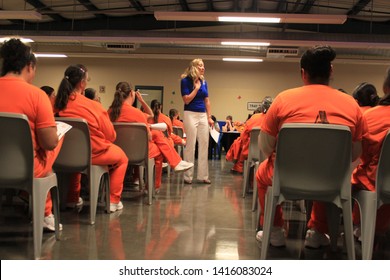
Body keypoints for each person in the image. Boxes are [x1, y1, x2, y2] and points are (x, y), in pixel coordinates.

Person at [255, 45, 365, 249]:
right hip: (331, 180)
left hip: (286, 177)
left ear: (303, 73)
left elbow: (266, 147)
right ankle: (317, 231)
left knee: (262, 174)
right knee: (329, 167)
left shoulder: (283, 100)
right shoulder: (351, 105)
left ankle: (275, 230)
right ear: (331, 71)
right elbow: (355, 154)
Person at [0, 38, 63, 231]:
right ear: (29, 66)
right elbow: (49, 143)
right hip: (26, 169)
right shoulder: (37, 96)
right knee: (57, 139)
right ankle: (44, 214)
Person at [54, 64, 128, 213]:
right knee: (122, 158)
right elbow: (111, 135)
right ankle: (113, 200)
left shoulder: (55, 103)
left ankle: (72, 198)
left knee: (75, 156)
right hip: (92, 154)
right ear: (82, 83)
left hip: (61, 154)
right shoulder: (94, 106)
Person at [107, 82, 193, 192]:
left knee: (157, 135)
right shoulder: (136, 113)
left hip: (115, 150)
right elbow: (148, 136)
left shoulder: (109, 112)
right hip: (137, 153)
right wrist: (141, 101)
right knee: (159, 147)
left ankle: (175, 163)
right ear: (132, 94)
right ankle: (154, 185)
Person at [351, 68, 390, 239]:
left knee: (360, 175)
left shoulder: (369, 117)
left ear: (385, 86)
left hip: (379, 184)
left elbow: (361, 156)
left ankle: (360, 228)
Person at [180, 58, 214, 184]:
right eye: (200, 65)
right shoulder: (185, 81)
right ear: (194, 67)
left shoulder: (204, 82)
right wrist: (196, 88)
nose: (203, 68)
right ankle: (188, 176)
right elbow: (186, 100)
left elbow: (207, 100)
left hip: (202, 114)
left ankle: (203, 176)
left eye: (203, 66)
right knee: (191, 145)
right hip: (190, 114)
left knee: (204, 144)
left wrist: (209, 116)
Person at [226, 96, 273, 174]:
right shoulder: (276, 119)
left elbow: (243, 136)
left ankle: (239, 167)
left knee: (239, 142)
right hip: (270, 151)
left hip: (251, 151)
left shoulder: (254, 118)